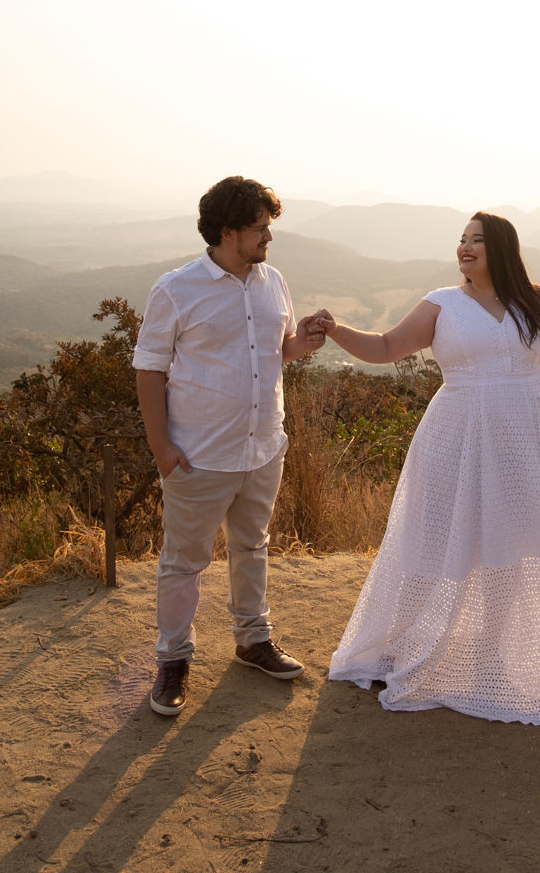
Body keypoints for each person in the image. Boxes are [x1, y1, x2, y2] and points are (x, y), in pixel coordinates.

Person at [313, 211, 540, 732]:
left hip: (529, 438)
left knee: (515, 543)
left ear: (502, 249)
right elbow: (383, 348)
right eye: (462, 240)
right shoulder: (441, 303)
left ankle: (494, 655)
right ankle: (405, 646)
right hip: (456, 438)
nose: (465, 248)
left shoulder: (537, 304)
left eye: (477, 240)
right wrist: (335, 330)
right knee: (435, 539)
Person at [133, 176, 325, 717]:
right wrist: (161, 447)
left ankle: (251, 639)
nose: (269, 236)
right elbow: (149, 367)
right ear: (227, 231)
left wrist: (301, 343)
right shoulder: (176, 288)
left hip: (264, 447)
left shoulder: (273, 281)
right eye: (260, 227)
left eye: (269, 225)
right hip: (198, 455)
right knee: (183, 562)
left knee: (252, 545)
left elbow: (275, 351)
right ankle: (173, 658)